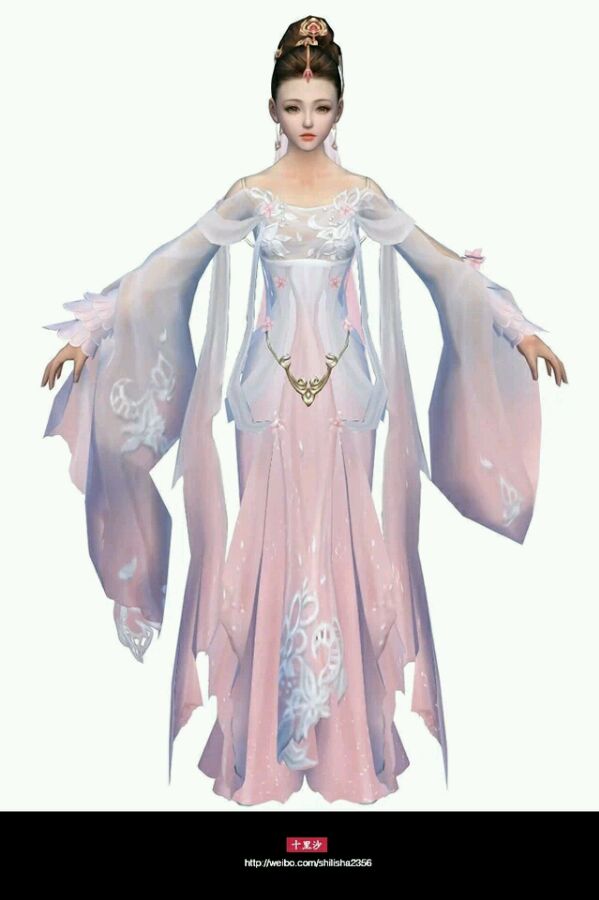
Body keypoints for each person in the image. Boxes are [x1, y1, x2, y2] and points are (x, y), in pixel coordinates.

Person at [40, 15, 567, 805]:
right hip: (267, 400)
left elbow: (441, 269)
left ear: (340, 108)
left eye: (320, 107)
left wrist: (513, 327)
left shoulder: (361, 198)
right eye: (293, 107)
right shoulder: (251, 196)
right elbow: (167, 267)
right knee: (269, 549)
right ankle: (263, 756)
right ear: (272, 109)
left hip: (348, 402)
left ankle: (351, 754)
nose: (307, 121)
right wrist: (91, 331)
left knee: (345, 549)